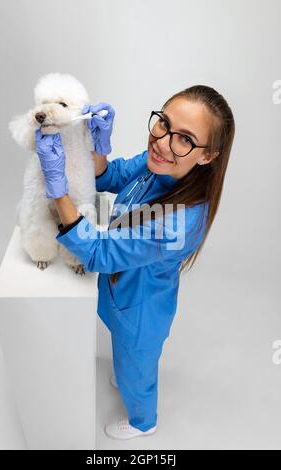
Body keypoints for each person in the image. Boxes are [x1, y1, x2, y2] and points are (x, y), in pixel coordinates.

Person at [35, 85, 235, 440]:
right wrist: (96, 145)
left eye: (185, 139)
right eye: (163, 123)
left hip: (141, 313)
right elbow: (110, 177)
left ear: (208, 155)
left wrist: (58, 189)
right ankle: (127, 370)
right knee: (123, 351)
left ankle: (144, 420)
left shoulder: (181, 221)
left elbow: (97, 252)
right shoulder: (160, 163)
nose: (163, 142)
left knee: (137, 370)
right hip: (121, 296)